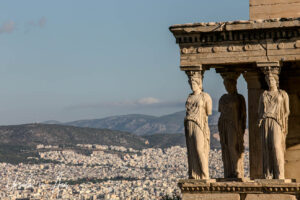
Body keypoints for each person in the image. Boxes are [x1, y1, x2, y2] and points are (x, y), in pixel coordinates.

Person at [258, 73, 289, 179]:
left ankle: (279, 174)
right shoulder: (263, 95)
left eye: (271, 80)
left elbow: (287, 111)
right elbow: (260, 111)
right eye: (268, 80)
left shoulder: (282, 94)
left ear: (276, 81)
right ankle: (267, 174)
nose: (270, 82)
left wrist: (282, 121)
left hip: (277, 122)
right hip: (265, 121)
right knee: (266, 147)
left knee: (276, 146)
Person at [184, 72, 212, 179]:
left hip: (200, 124)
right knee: (191, 150)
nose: (192, 84)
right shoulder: (189, 97)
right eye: (191, 82)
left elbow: (208, 112)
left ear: (199, 83)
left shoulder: (205, 96)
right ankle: (195, 174)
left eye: (194, 82)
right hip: (189, 124)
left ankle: (205, 175)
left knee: (200, 149)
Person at [218, 76, 246, 178]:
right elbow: (221, 113)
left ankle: (237, 168)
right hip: (225, 125)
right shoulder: (223, 98)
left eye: (229, 84)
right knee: (227, 147)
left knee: (232, 146)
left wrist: (241, 128)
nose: (227, 87)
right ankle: (230, 170)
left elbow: (243, 115)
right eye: (225, 85)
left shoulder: (239, 98)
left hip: (235, 125)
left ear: (234, 85)